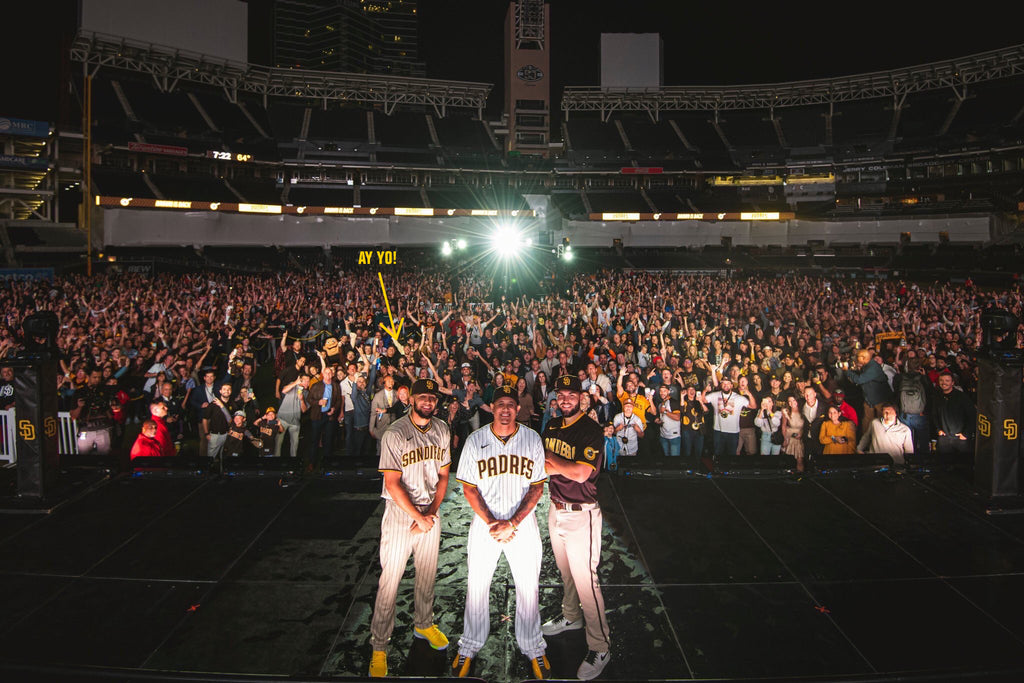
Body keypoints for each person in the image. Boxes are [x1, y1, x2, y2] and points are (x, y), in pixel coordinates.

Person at [451, 385, 550, 680]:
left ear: (517, 408)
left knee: (528, 587)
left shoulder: (532, 438)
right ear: (492, 408)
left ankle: (533, 646)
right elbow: (468, 486)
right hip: (486, 525)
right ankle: (469, 644)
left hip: (523, 524)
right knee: (477, 586)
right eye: (500, 404)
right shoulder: (475, 439)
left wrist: (514, 522)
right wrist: (493, 521)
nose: (505, 409)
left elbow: (537, 486)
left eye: (510, 404)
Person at [369, 378, 451, 678]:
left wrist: (430, 513)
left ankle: (424, 623)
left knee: (427, 575)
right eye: (422, 397)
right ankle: (379, 645)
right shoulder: (395, 432)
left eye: (432, 397)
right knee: (390, 581)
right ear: (412, 399)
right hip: (401, 515)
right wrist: (419, 517)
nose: (428, 401)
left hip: (430, 512)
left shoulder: (442, 429)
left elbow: (443, 477)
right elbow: (392, 483)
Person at [540, 375, 611, 682]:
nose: (565, 399)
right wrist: (558, 465)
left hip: (582, 514)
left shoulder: (591, 430)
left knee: (587, 583)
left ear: (582, 398)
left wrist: (555, 462)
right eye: (561, 394)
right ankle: (571, 618)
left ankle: (601, 646)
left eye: (571, 394)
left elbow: (582, 473)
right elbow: (543, 466)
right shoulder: (553, 425)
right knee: (566, 573)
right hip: (555, 507)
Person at [702, 377, 754, 461]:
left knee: (732, 455)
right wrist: (705, 391)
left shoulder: (739, 397)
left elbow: (753, 406)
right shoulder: (715, 395)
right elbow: (703, 400)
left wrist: (750, 395)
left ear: (732, 385)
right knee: (717, 454)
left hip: (733, 432)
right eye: (724, 383)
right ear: (721, 385)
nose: (726, 385)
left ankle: (730, 472)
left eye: (728, 383)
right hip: (718, 431)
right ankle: (717, 471)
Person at [845, 348, 892, 434]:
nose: (856, 359)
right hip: (869, 399)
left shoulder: (873, 367)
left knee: (881, 422)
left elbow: (859, 380)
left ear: (863, 358)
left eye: (858, 357)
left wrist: (847, 371)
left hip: (879, 400)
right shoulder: (867, 366)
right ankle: (866, 440)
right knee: (866, 421)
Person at [70, 367, 114, 455]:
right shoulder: (80, 392)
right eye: (94, 377)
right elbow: (73, 416)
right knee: (84, 457)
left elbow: (112, 413)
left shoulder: (105, 391)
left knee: (105, 456)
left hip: (103, 428)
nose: (97, 380)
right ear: (88, 376)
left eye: (99, 377)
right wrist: (79, 407)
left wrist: (107, 406)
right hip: (85, 429)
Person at [933, 371, 975, 463]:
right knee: (943, 465)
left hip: (960, 439)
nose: (944, 383)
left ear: (953, 383)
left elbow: (972, 416)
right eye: (941, 380)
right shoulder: (937, 396)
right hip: (944, 438)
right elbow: (934, 415)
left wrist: (966, 433)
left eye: (947, 380)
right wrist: (938, 429)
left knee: (963, 465)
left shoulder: (962, 397)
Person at [307, 365, 341, 472]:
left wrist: (334, 409)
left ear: (332, 374)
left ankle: (326, 463)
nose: (328, 375)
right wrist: (318, 402)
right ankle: (312, 462)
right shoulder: (316, 385)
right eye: (326, 373)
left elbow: (339, 400)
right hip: (317, 416)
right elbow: (309, 399)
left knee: (328, 440)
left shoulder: (336, 386)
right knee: (315, 440)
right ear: (323, 375)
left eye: (330, 373)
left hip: (329, 416)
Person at [653, 383, 682, 456]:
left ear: (669, 391)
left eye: (664, 391)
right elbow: (662, 417)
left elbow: (678, 417)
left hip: (673, 436)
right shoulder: (660, 403)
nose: (662, 393)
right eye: (661, 391)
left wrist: (665, 411)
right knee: (666, 459)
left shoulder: (673, 402)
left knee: (674, 460)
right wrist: (658, 420)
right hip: (663, 435)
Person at [781, 395, 806, 472]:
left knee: (800, 460)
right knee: (788, 460)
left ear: (797, 401)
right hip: (790, 437)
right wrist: (784, 439)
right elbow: (784, 426)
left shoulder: (803, 410)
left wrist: (801, 433)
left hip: (799, 438)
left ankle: (800, 478)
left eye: (793, 400)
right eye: (790, 401)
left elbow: (806, 426)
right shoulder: (786, 411)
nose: (792, 403)